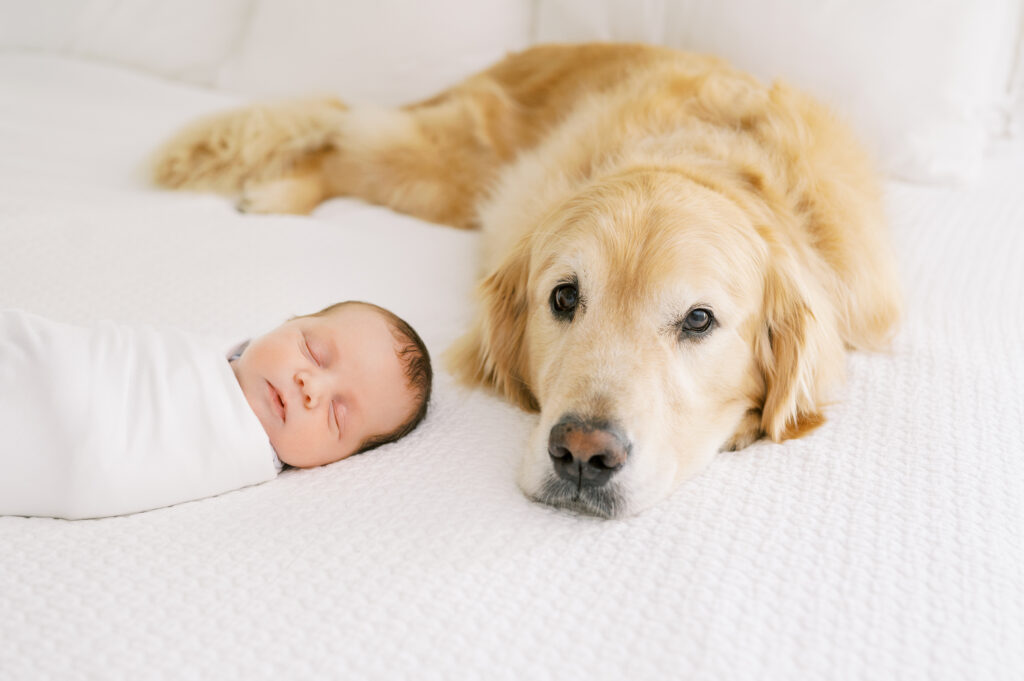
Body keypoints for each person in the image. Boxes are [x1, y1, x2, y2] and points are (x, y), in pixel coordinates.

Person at [0, 301, 432, 519]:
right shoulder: (213, 353)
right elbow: (112, 357)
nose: (311, 387)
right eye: (313, 351)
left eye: (338, 415)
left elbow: (98, 460)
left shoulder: (241, 454)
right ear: (287, 321)